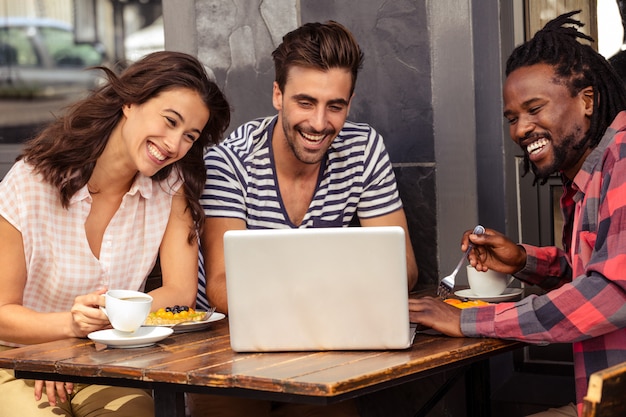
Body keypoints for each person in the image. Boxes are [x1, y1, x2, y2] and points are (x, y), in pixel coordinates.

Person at [190, 21, 418, 417]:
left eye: (336, 106)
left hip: (323, 347)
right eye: (305, 102)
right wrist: (337, 291)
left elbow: (404, 270)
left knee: (332, 411)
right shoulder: (229, 162)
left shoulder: (363, 149)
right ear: (278, 95)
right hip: (227, 349)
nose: (318, 123)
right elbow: (222, 290)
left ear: (350, 101)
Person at [408, 10, 626, 417]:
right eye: (512, 118)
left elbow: (612, 293)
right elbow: (594, 273)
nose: (521, 129)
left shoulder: (624, 157)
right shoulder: (587, 177)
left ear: (588, 101)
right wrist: (524, 261)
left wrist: (468, 321)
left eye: (535, 108)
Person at [0, 51, 230, 417]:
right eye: (169, 121)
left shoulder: (172, 189)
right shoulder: (31, 182)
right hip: (16, 360)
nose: (174, 144)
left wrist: (106, 321)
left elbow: (179, 292)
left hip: (105, 358)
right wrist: (67, 329)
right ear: (130, 102)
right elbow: (2, 312)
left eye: (190, 135)